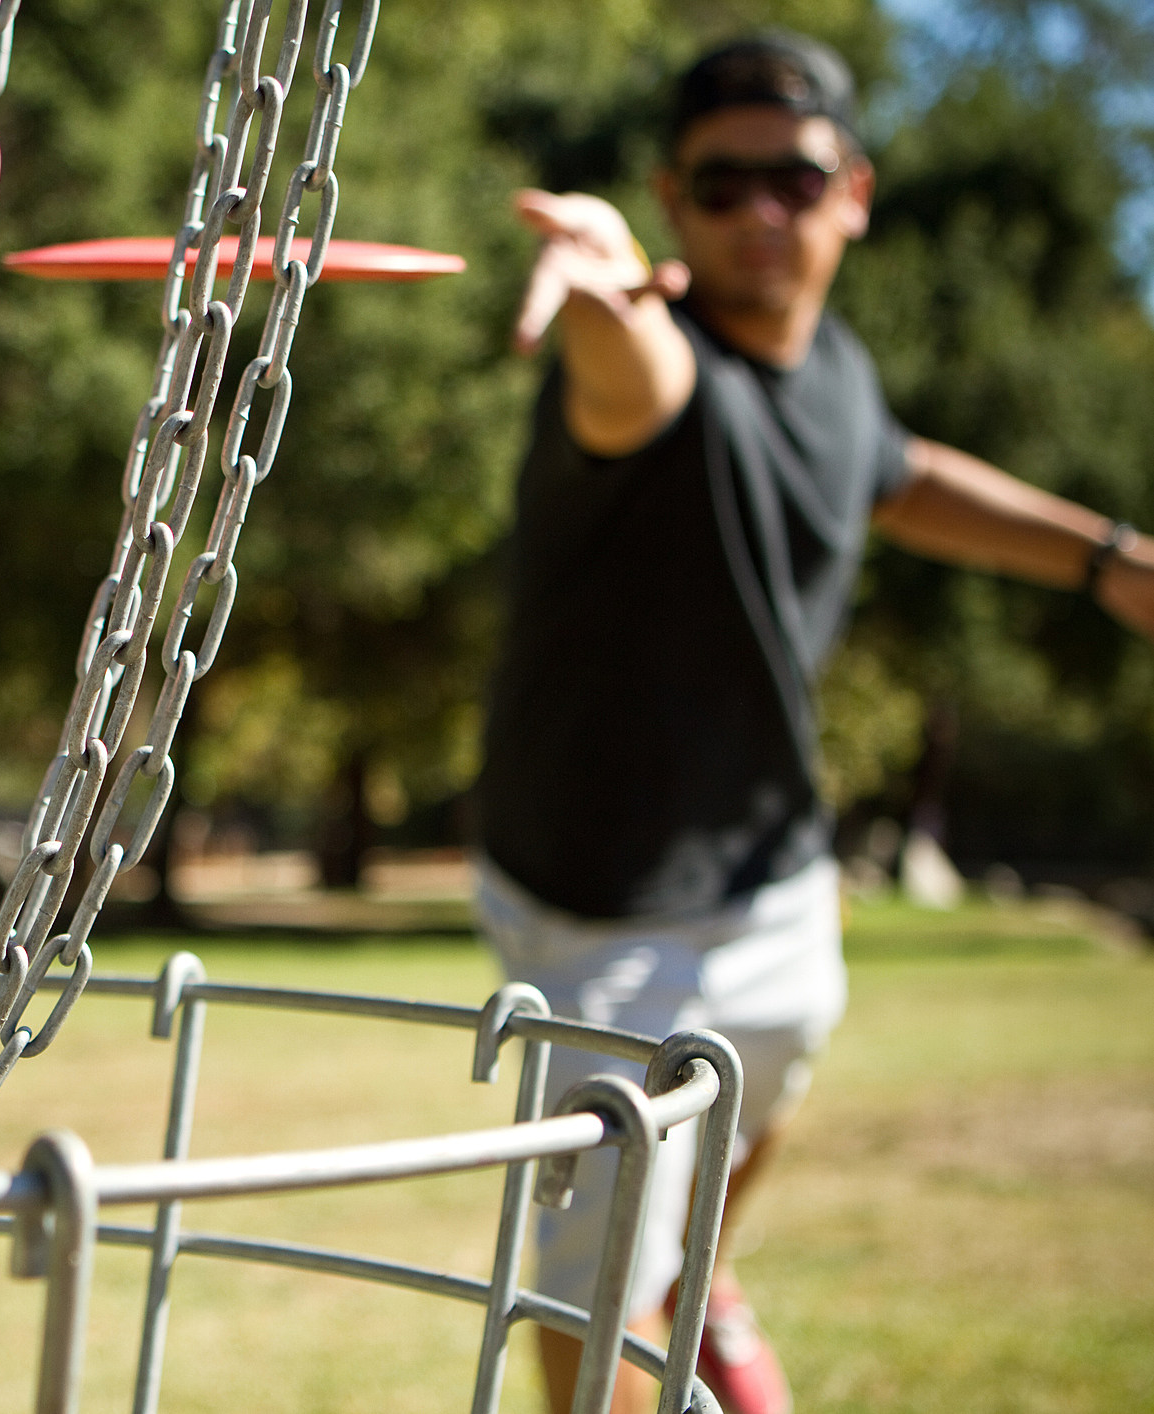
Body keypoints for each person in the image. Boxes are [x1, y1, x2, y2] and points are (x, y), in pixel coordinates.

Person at [477, 31, 1154, 1414]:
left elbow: (900, 477)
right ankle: (658, 1286)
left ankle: (700, 1270)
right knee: (583, 1296)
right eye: (718, 187)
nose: (757, 214)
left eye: (791, 178)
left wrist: (1103, 556)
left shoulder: (834, 374)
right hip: (599, 906)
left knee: (764, 1088)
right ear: (672, 202)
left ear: (853, 189)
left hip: (777, 873)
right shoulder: (654, 365)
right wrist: (603, 288)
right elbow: (629, 373)